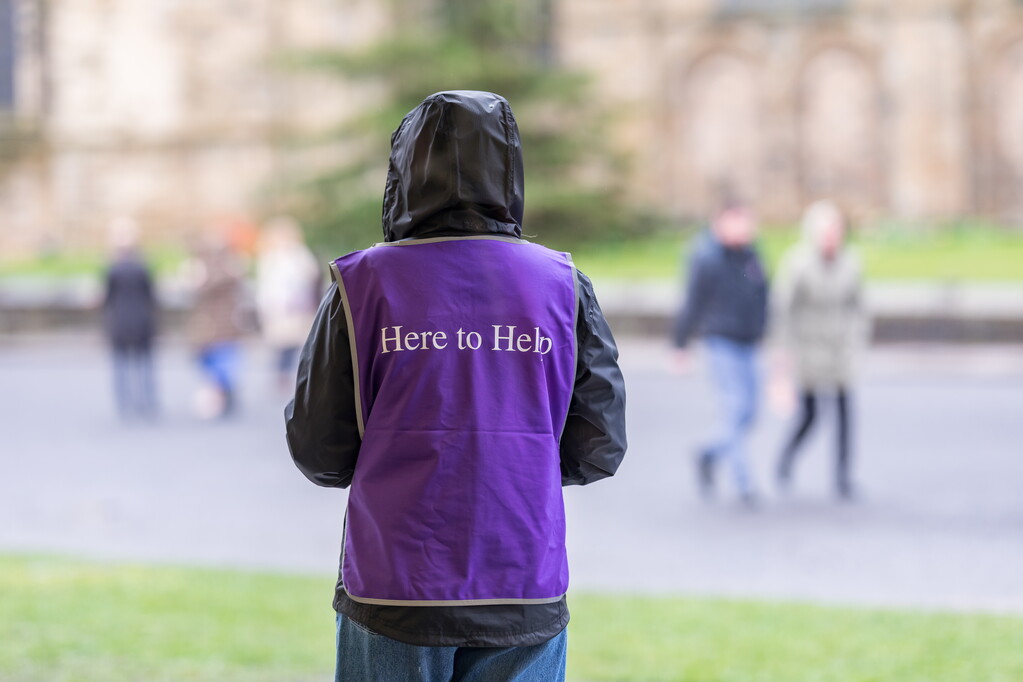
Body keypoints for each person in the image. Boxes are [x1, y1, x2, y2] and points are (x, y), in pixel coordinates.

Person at [285, 91, 627, 682]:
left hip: (395, 582)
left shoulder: (360, 284)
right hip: (522, 574)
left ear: (404, 172)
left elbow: (319, 450)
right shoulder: (562, 286)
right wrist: (514, 460)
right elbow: (599, 445)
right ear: (511, 171)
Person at [672, 200, 768, 506]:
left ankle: (707, 452)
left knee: (750, 412)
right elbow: (691, 301)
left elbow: (764, 296)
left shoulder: (752, 255)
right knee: (734, 408)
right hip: (721, 342)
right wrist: (680, 344)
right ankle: (744, 483)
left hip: (750, 343)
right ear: (721, 223)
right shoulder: (706, 256)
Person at [773, 200, 868, 500]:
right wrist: (784, 353)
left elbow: (859, 307)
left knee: (844, 413)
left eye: (836, 230)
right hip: (809, 350)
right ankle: (786, 459)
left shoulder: (851, 262)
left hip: (841, 352)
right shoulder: (798, 264)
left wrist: (856, 340)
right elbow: (784, 310)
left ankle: (842, 476)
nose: (832, 237)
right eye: (826, 231)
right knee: (811, 415)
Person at [255, 216, 321, 392]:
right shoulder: (270, 256)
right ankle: (282, 373)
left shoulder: (299, 254)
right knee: (281, 343)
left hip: (297, 306)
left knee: (295, 342)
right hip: (278, 307)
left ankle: (291, 373)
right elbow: (265, 284)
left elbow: (311, 274)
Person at [101, 218, 158, 419]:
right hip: (142, 321)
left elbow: (106, 298)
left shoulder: (112, 269)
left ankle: (124, 403)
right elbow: (152, 296)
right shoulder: (143, 267)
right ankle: (147, 401)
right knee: (144, 365)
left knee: (122, 366)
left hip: (120, 322)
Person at [186, 236, 246, 418]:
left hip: (214, 326)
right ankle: (225, 396)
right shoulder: (231, 268)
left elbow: (200, 289)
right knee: (221, 363)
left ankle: (223, 396)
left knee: (219, 364)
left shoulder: (209, 270)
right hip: (223, 325)